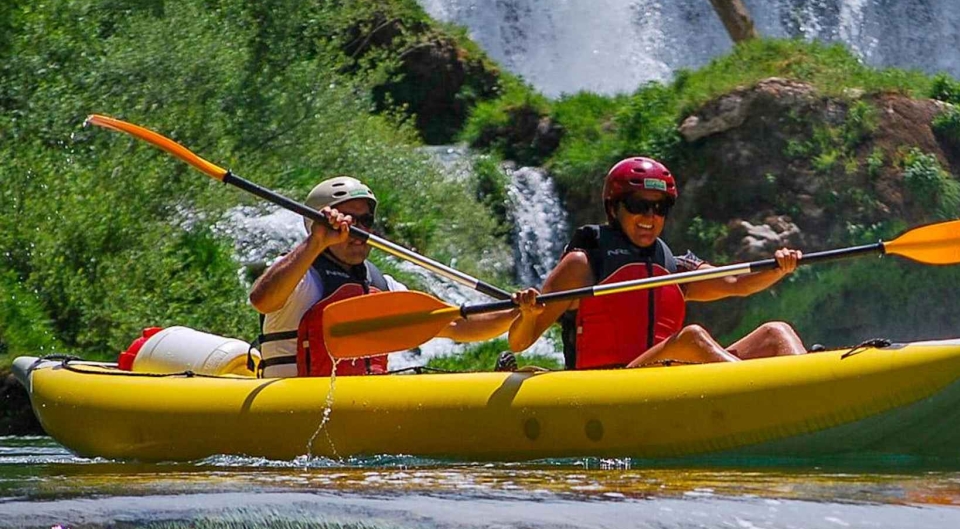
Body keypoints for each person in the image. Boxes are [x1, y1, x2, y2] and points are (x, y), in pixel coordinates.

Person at [507, 157, 807, 368]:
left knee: (775, 332)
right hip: (612, 387)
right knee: (691, 338)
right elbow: (520, 342)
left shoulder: (674, 267)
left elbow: (736, 282)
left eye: (660, 207)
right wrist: (530, 316)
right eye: (639, 206)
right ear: (614, 209)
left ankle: (807, 385)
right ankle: (764, 391)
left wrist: (779, 267)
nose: (650, 217)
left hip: (668, 376)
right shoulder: (583, 264)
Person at [249, 176, 512, 376]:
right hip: (293, 402)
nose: (360, 229)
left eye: (366, 220)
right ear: (317, 224)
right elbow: (262, 300)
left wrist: (518, 311)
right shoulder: (300, 277)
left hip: (362, 402)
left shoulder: (382, 285)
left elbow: (456, 324)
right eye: (349, 219)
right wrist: (316, 242)